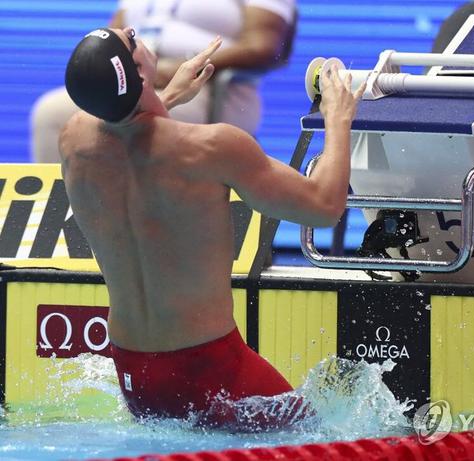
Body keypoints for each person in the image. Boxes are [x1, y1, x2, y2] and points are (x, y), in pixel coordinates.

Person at [58, 27, 363, 430]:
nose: (141, 35)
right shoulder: (211, 148)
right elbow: (324, 206)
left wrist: (164, 97)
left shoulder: (73, 140)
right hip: (212, 369)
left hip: (134, 373)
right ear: (138, 70)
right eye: (133, 36)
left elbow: (129, 134)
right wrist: (338, 118)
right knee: (327, 444)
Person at [32, 0, 295, 163]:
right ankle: (67, 232)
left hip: (205, 87)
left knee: (140, 119)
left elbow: (264, 46)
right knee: (52, 112)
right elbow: (110, 37)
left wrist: (183, 66)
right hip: (134, 82)